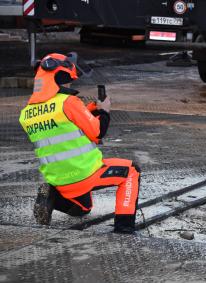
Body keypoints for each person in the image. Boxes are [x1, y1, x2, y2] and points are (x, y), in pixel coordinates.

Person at [19, 53, 140, 233]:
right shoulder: (68, 102)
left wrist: (90, 109)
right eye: (68, 81)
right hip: (84, 173)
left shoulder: (26, 114)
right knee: (131, 171)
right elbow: (97, 132)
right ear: (59, 78)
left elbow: (61, 122)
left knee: (84, 208)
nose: (69, 85)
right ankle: (124, 228)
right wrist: (104, 112)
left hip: (58, 179)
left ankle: (52, 196)